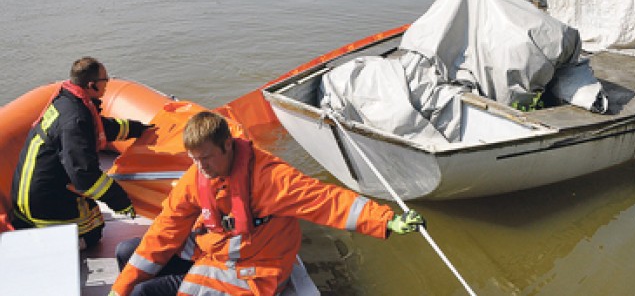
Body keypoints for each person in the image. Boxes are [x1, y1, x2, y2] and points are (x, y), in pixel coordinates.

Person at [110, 111, 424, 296]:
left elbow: (328, 200)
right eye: (195, 159)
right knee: (127, 256)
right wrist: (117, 289)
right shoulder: (197, 179)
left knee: (145, 293)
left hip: (255, 267)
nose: (200, 167)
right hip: (217, 249)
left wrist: (385, 220)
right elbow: (163, 233)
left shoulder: (270, 179)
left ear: (227, 145)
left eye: (206, 158)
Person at [10, 57, 152, 248]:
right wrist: (121, 201)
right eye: (105, 81)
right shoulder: (75, 120)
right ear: (92, 85)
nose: (108, 84)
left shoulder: (66, 101)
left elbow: (99, 128)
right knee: (94, 233)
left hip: (27, 198)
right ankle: (57, 244)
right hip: (44, 205)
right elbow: (84, 175)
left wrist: (138, 129)